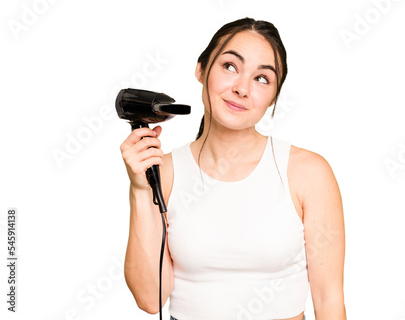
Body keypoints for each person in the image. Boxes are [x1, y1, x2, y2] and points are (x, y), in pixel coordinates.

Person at [120, 17, 346, 320]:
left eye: (261, 78)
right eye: (230, 66)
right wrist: (140, 188)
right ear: (201, 69)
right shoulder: (166, 172)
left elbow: (329, 298)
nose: (241, 88)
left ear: (273, 96)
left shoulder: (308, 173)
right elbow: (150, 298)